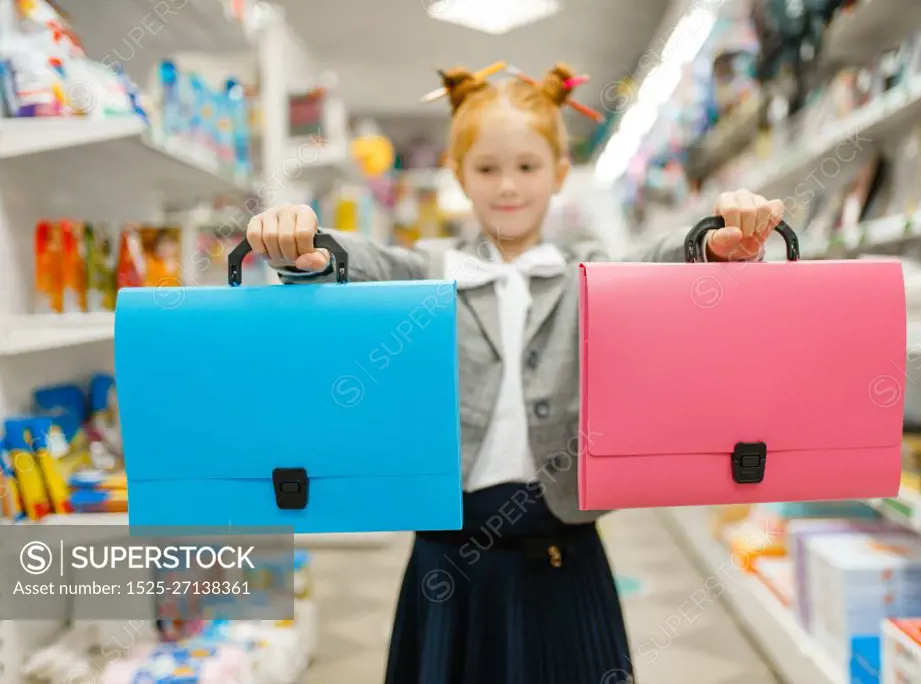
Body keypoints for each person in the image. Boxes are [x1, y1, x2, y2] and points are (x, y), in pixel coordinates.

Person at [246, 63, 785, 684]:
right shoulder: (429, 272)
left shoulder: (593, 275)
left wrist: (715, 241)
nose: (507, 185)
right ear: (458, 174)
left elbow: (661, 261)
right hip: (447, 566)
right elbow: (361, 261)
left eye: (527, 167)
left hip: (566, 561)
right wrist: (310, 247)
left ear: (559, 173)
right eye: (487, 168)